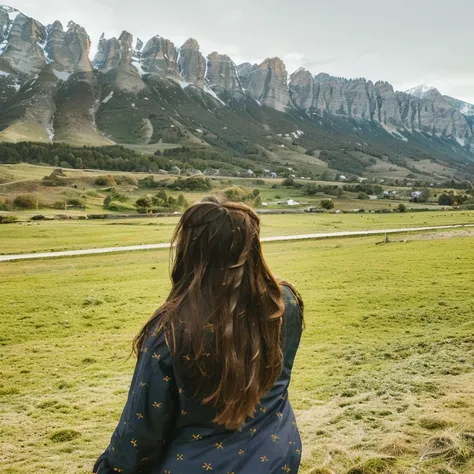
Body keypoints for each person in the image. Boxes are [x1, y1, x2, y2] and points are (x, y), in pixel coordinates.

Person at [93, 197, 304, 474]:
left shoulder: (170, 331)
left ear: (189, 250)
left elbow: (140, 434)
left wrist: (108, 468)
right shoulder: (284, 302)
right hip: (278, 452)